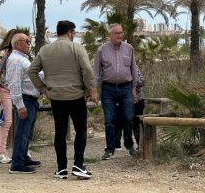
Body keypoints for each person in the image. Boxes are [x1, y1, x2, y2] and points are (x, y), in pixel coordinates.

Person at [29, 20, 94, 180]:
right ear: (70, 32)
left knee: (59, 132)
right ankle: (78, 165)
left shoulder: (45, 50)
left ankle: (61, 168)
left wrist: (44, 89)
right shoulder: (76, 48)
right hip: (76, 95)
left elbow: (32, 71)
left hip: (56, 97)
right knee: (81, 130)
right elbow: (87, 69)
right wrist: (89, 89)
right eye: (74, 33)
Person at [91, 23, 138, 159]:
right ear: (110, 35)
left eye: (121, 33)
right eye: (116, 33)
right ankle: (109, 148)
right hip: (108, 89)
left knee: (129, 118)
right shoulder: (102, 50)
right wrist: (94, 89)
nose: (120, 35)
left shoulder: (129, 48)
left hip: (126, 88)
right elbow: (96, 72)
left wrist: (134, 88)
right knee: (110, 120)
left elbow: (133, 69)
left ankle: (129, 145)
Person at [6, 32, 42, 174]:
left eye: (29, 41)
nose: (29, 44)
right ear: (16, 44)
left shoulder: (22, 59)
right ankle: (17, 163)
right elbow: (14, 84)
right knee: (22, 132)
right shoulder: (15, 60)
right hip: (25, 99)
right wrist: (20, 105)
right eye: (26, 41)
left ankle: (23, 157)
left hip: (31, 99)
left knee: (27, 132)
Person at [0, 29, 21, 164]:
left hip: (15, 90)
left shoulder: (18, 55)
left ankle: (20, 150)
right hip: (4, 90)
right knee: (7, 121)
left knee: (18, 120)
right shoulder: (2, 55)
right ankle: (0, 152)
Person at [114, 64, 145, 148]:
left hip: (136, 101)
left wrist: (128, 81)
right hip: (121, 101)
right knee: (118, 122)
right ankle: (117, 145)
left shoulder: (133, 67)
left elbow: (141, 81)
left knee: (136, 124)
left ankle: (141, 146)